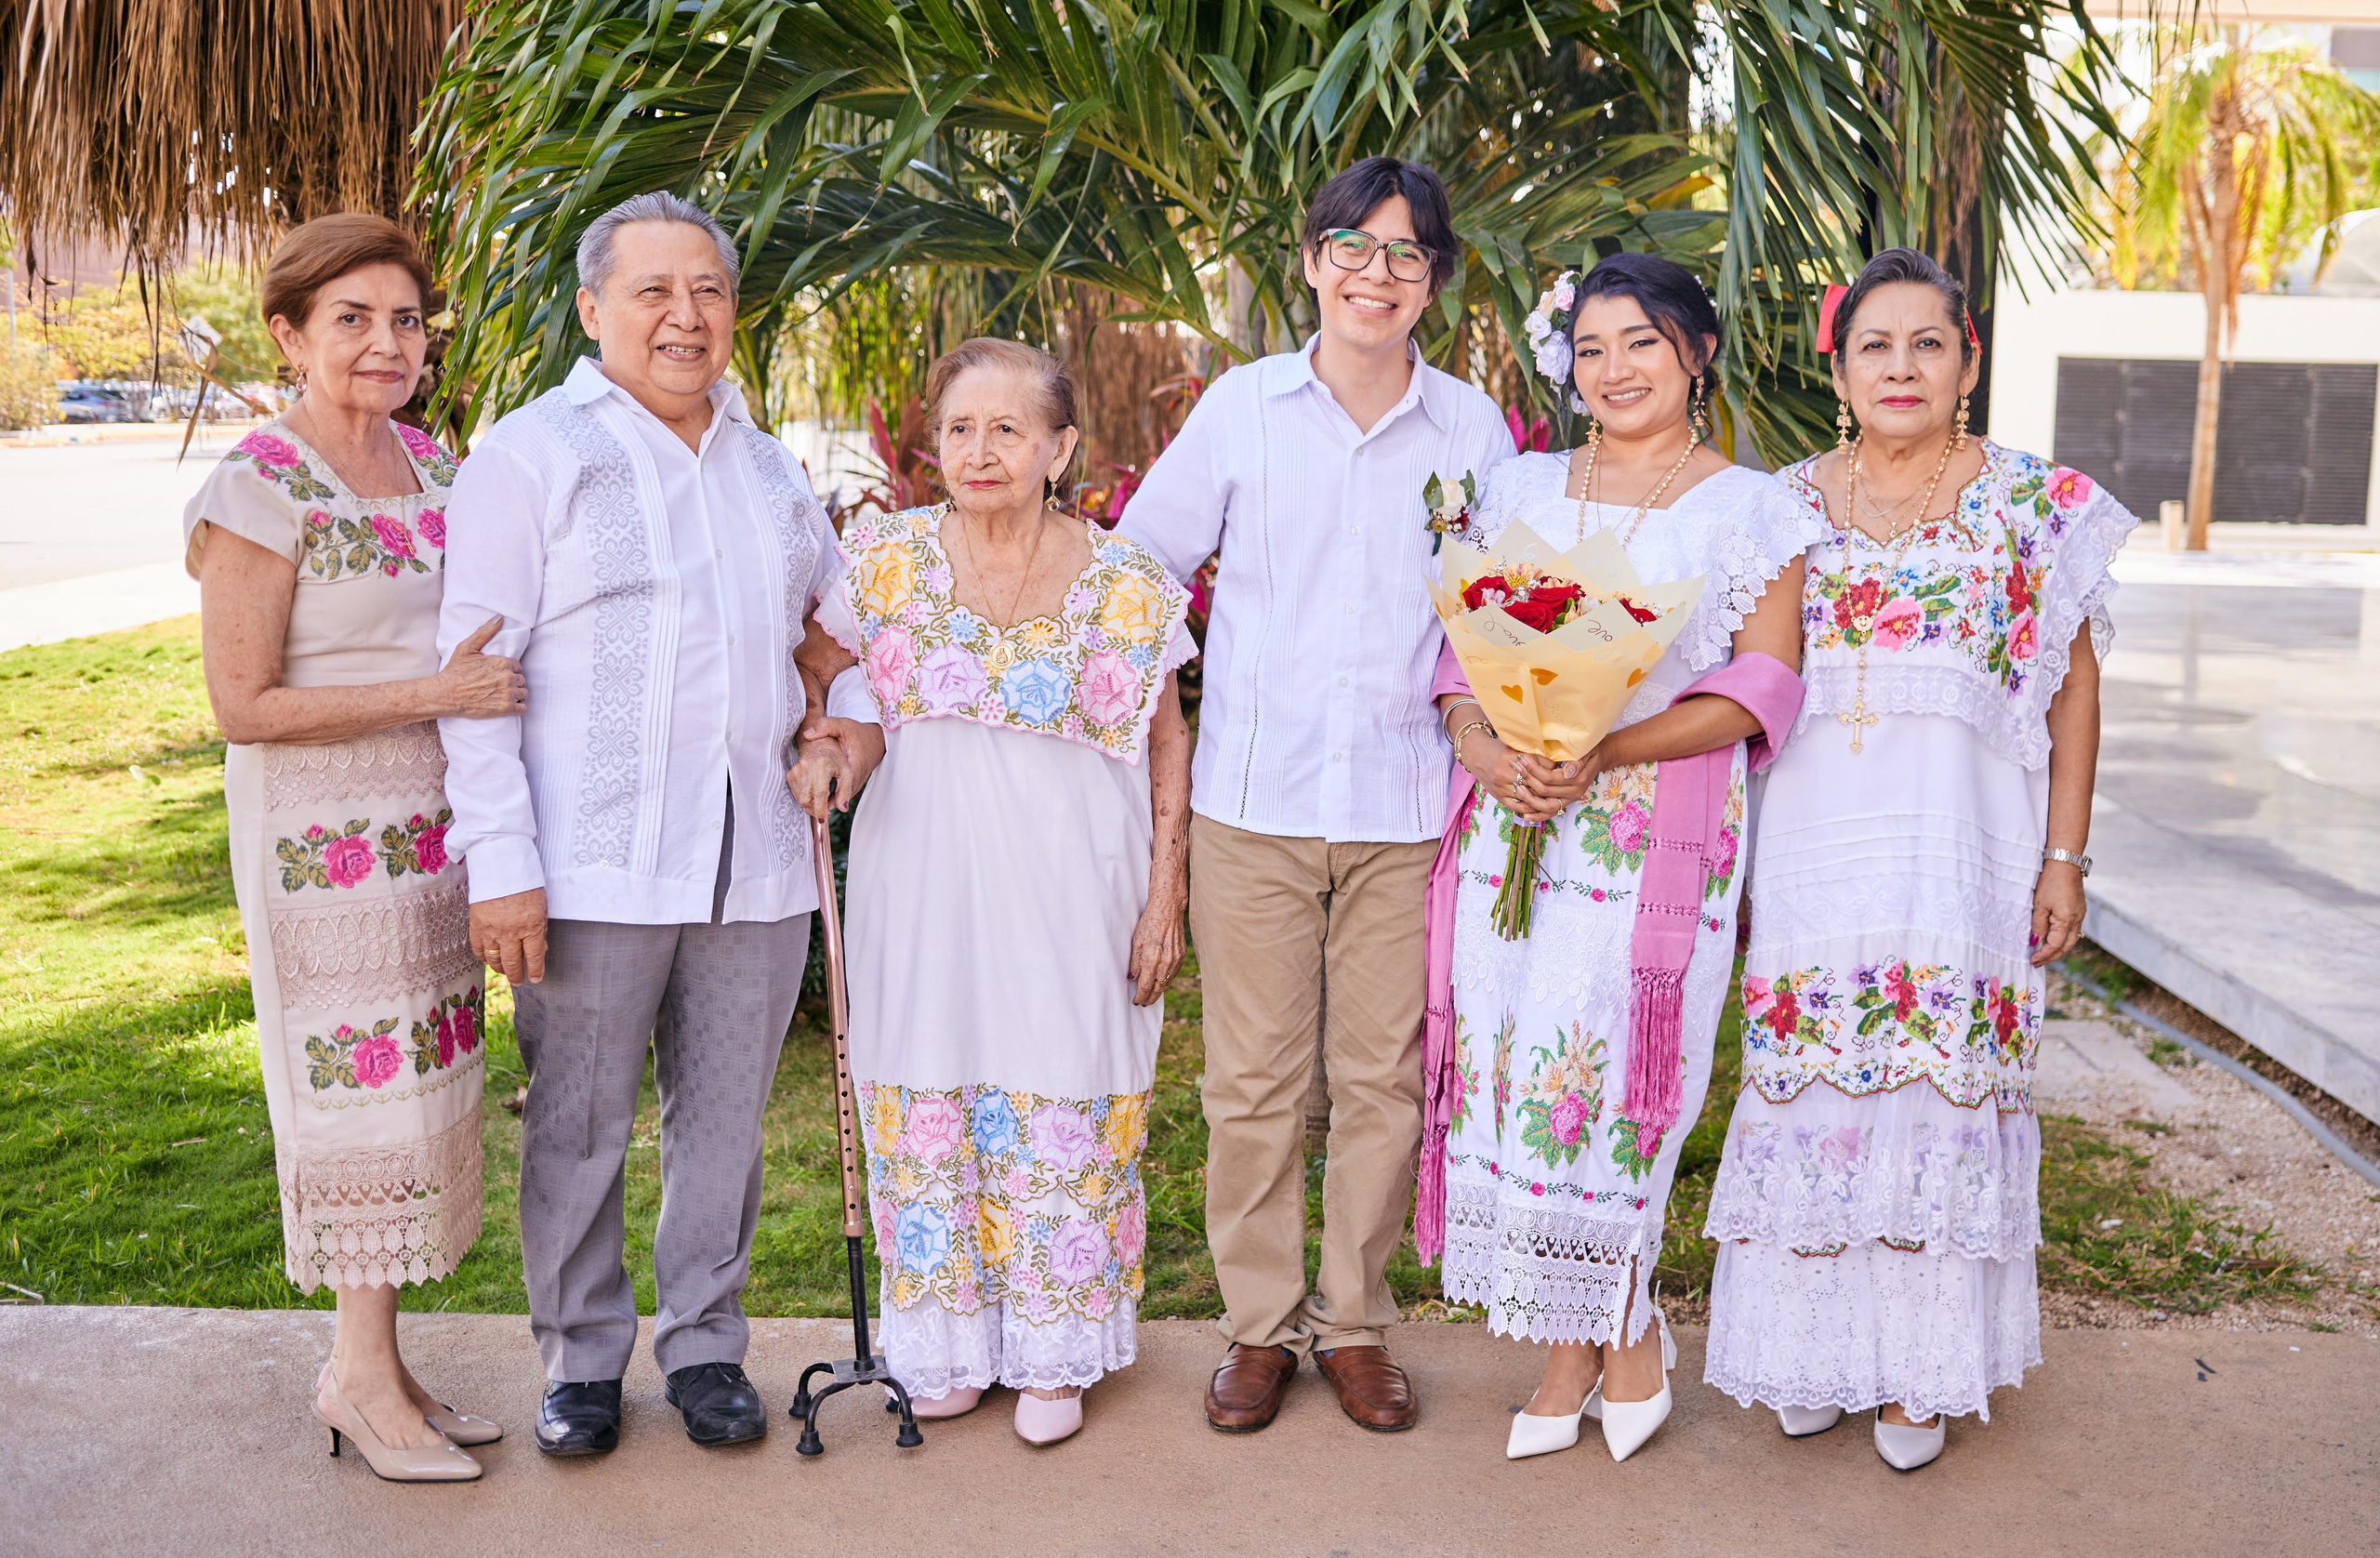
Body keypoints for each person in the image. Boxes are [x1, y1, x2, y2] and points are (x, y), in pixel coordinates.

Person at [435, 190, 873, 1459]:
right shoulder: (530, 456)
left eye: (710, 292)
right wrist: (503, 869)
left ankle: (706, 1347)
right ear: (593, 309)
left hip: (761, 860)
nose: (685, 317)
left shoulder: (772, 463)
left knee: (723, 1121)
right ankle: (579, 1363)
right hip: (590, 860)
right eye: (652, 291)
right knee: (575, 1121)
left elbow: (835, 635)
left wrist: (842, 723)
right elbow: (476, 681)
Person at [1700, 248, 2135, 1470]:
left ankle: (1919, 1378)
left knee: (1938, 1099)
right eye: (1875, 346)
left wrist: (2066, 855)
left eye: (1927, 344)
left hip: (1964, 868)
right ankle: (1813, 1355)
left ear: (1968, 362)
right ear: (1838, 369)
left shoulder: (2037, 509)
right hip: (1812, 865)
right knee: (1819, 1096)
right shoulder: (1775, 506)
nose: (1902, 366)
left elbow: (2077, 693)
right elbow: (1736, 689)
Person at [1117, 156, 1515, 1433]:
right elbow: (1141, 568)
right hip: (1255, 802)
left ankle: (1353, 1326)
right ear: (1311, 262)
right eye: (1354, 246)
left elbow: (1506, 611)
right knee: (1251, 1085)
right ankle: (1254, 1329)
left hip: (1410, 807)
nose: (1377, 274)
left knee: (1384, 1084)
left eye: (1407, 254)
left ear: (1434, 284)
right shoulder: (1243, 409)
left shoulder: (1473, 432)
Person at [1421, 252, 1819, 1463]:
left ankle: (1601, 1336)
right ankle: (1596, 1335)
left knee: (1601, 1078)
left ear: (1695, 353)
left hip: (1651, 838)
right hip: (1518, 825)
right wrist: (1495, 751)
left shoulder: (1753, 507)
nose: (1614, 370)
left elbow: (1763, 683)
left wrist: (1604, 745)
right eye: (1591, 348)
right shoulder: (1521, 486)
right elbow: (1455, 654)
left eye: (1641, 343)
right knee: (1514, 1062)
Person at [789, 337, 1194, 1447]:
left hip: (1075, 883)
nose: (980, 450)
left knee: (1061, 1086)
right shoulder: (882, 561)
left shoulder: (1126, 579)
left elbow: (1167, 741)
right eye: (961, 428)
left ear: (1059, 447)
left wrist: (1166, 893)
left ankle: (1054, 1347)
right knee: (930, 1084)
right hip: (922, 879)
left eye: (1009, 429)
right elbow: (826, 680)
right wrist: (833, 745)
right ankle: (948, 1346)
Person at [187, 214, 520, 1482]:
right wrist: (439, 697)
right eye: (352, 320)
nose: (388, 344)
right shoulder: (260, 484)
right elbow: (243, 705)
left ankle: (381, 1368)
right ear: (288, 334)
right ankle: (357, 1382)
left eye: (405, 319)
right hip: (322, 848)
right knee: (357, 1102)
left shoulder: (432, 460)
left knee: (425, 1097)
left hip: (431, 838)